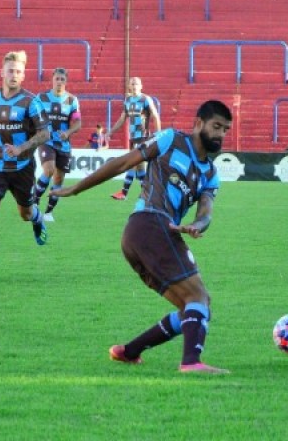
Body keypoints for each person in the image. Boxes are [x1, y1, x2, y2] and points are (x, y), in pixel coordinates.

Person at [51, 100, 233, 374]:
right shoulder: (171, 139)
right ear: (198, 123)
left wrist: (198, 224)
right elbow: (123, 162)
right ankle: (191, 363)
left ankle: (128, 351)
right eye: (216, 126)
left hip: (145, 235)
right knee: (198, 297)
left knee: (192, 308)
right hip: (150, 224)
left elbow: (206, 212)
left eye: (225, 130)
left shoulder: (210, 174)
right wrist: (77, 188)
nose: (220, 134)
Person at [0, 50, 50, 281]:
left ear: (23, 75)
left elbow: (44, 133)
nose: (14, 75)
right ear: (2, 72)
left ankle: (37, 219)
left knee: (25, 213)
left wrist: (22, 147)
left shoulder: (31, 101)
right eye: (10, 71)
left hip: (22, 167)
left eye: (18, 71)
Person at [31, 67, 82, 223]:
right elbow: (33, 117)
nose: (59, 82)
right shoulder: (41, 98)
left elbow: (78, 123)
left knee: (58, 179)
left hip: (64, 145)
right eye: (57, 79)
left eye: (62, 79)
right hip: (46, 141)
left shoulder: (72, 100)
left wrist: (68, 133)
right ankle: (34, 201)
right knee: (49, 169)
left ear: (66, 81)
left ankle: (48, 212)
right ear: (52, 80)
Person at [107, 76, 161, 200]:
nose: (134, 86)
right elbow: (122, 119)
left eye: (136, 84)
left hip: (143, 137)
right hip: (133, 138)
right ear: (129, 86)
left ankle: (124, 192)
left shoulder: (145, 99)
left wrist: (158, 134)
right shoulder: (128, 100)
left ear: (141, 86)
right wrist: (110, 132)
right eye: (132, 84)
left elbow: (155, 116)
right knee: (139, 166)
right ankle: (146, 194)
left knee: (131, 163)